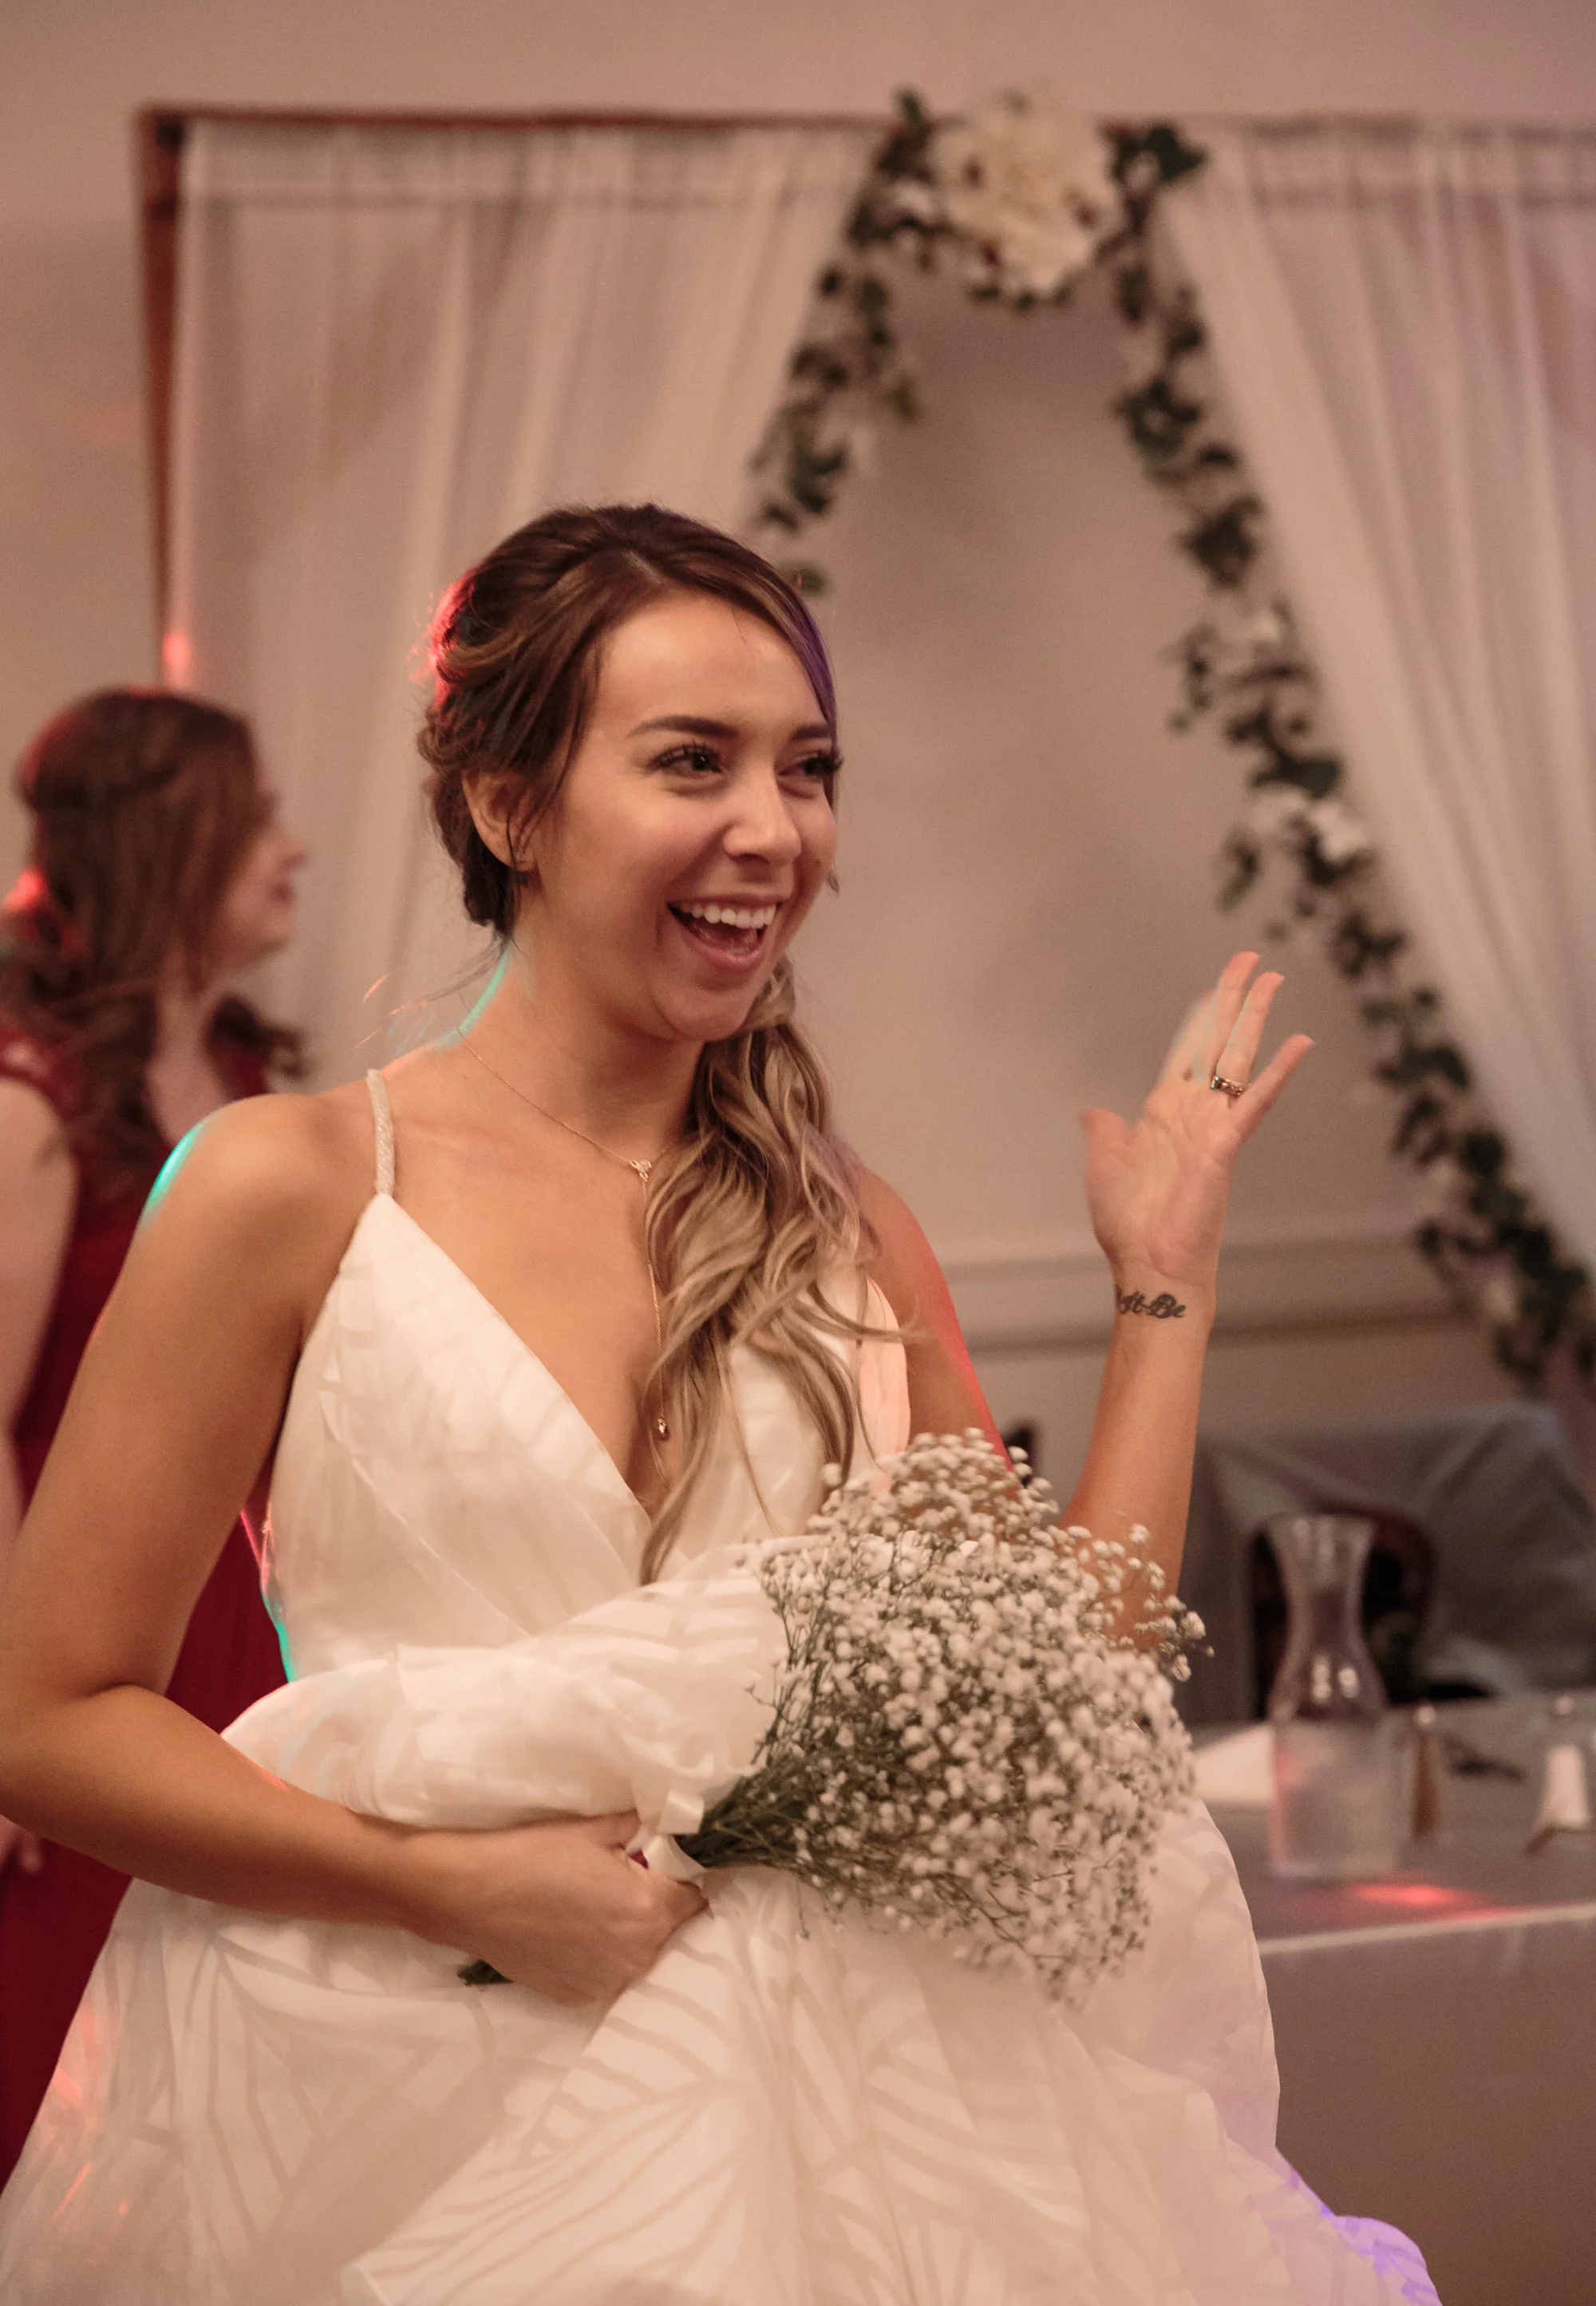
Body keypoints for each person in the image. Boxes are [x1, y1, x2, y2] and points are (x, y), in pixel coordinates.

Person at [0, 510, 1436, 2303]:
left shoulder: (845, 1226)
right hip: (383, 2088)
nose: (774, 828)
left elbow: (1056, 1696)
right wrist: (448, 1885)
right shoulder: (288, 1186)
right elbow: (47, 1719)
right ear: (509, 807)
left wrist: (1167, 1289)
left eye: (807, 769)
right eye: (694, 761)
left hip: (839, 2119)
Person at [0, 688, 304, 2183]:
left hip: (251, 1623)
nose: (291, 851)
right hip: (99, 1623)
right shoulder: (29, 1105)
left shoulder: (249, 1083)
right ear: (168, 845)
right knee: (73, 2063)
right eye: (256, 824)